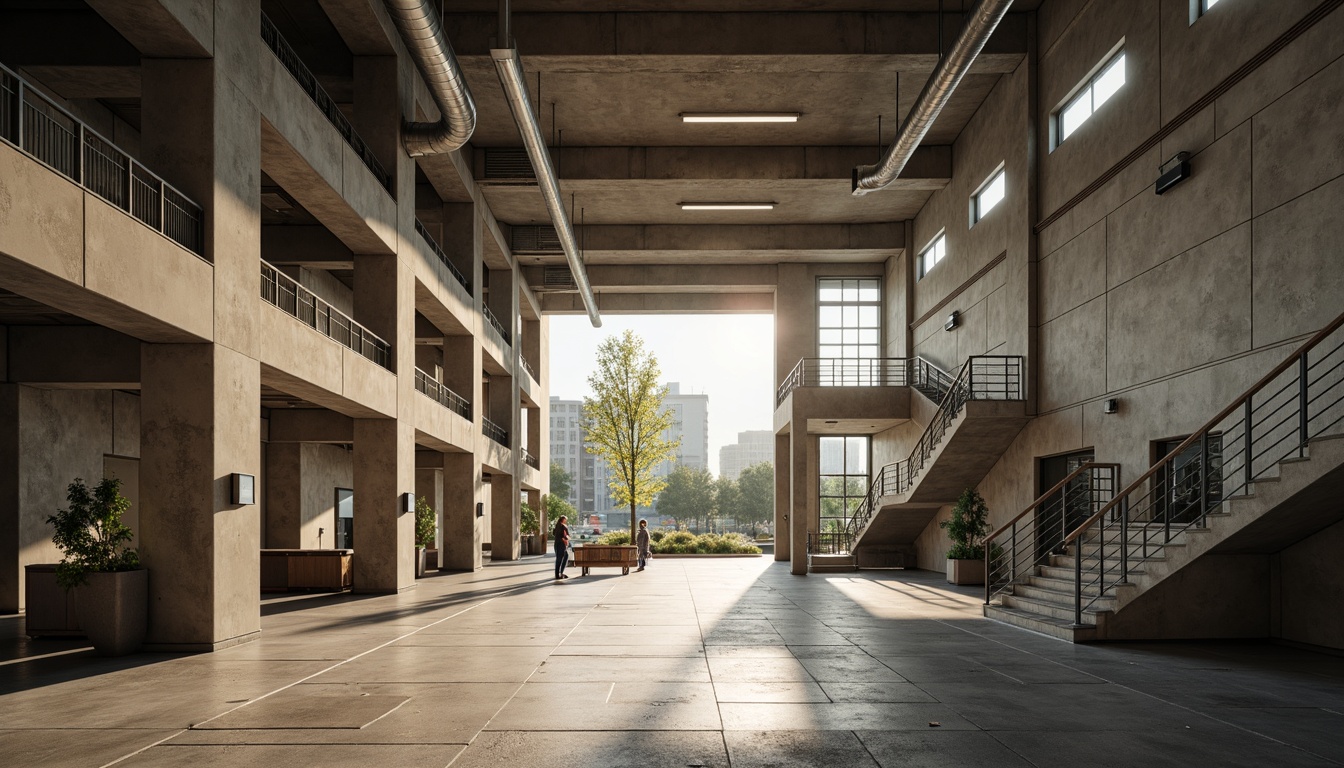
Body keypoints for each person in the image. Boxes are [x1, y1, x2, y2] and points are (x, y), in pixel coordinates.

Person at [553, 515, 570, 579]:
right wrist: (568, 538)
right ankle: (559, 574)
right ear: (563, 520)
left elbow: (554, 533)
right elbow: (565, 536)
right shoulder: (563, 526)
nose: (566, 521)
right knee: (561, 559)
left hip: (556, 544)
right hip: (562, 544)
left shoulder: (557, 526)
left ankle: (559, 573)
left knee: (560, 558)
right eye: (566, 520)